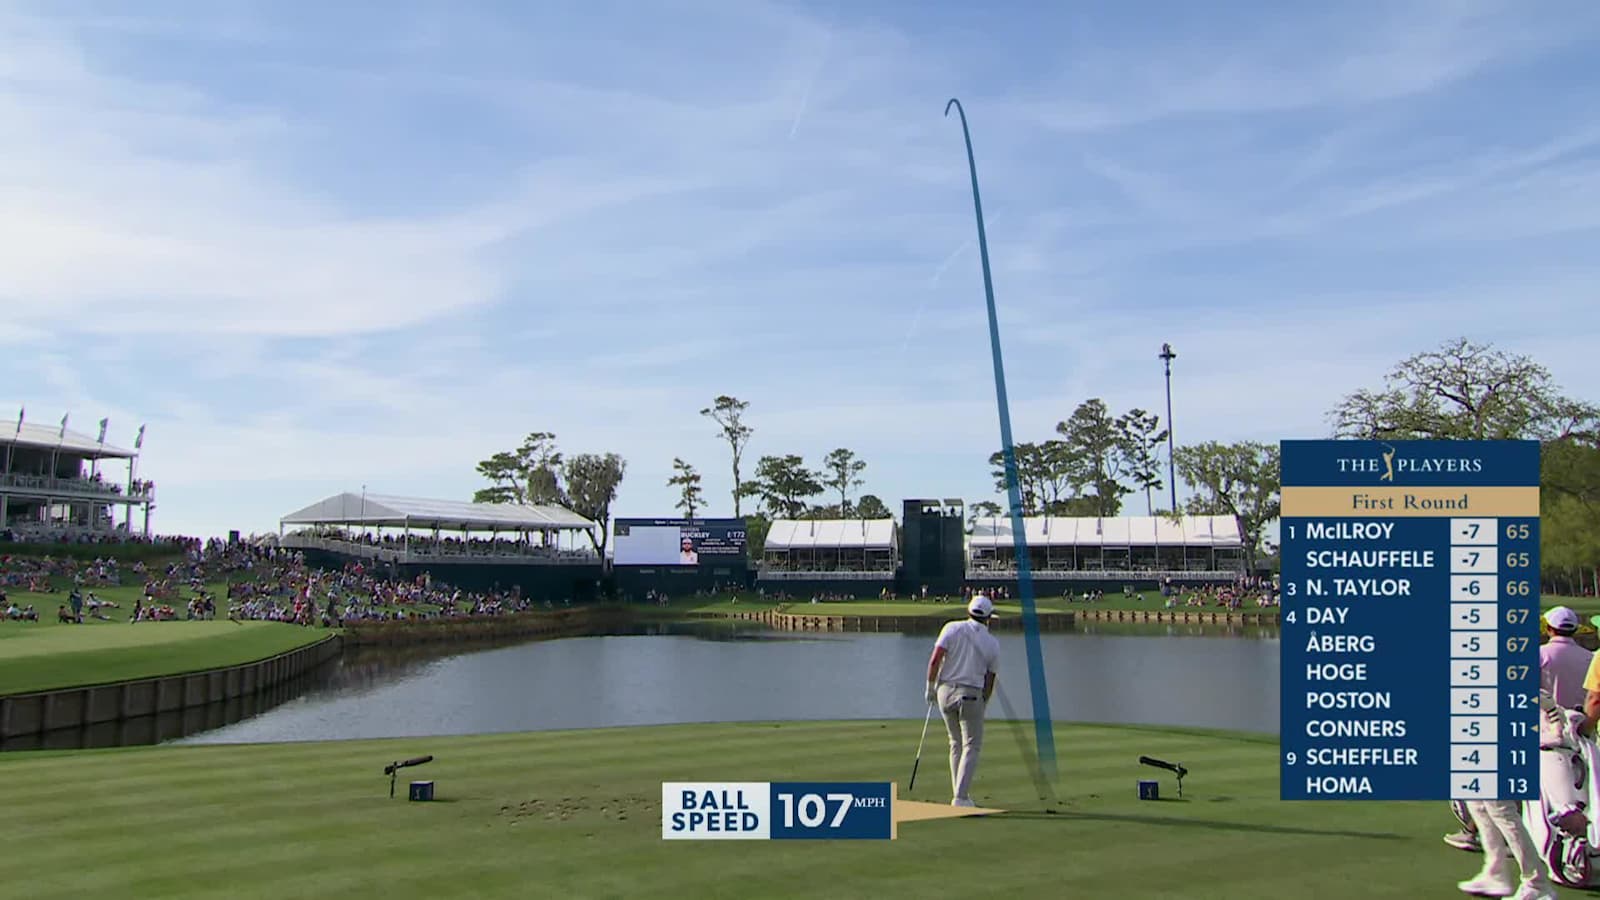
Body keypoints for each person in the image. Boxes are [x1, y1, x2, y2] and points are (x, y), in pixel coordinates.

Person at [925, 594, 1000, 807]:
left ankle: (958, 793)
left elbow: (935, 659)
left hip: (944, 693)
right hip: (971, 693)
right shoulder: (992, 643)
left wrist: (930, 687)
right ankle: (960, 797)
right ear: (988, 618)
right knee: (972, 745)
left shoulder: (951, 628)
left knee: (955, 742)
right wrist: (983, 703)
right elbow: (990, 679)